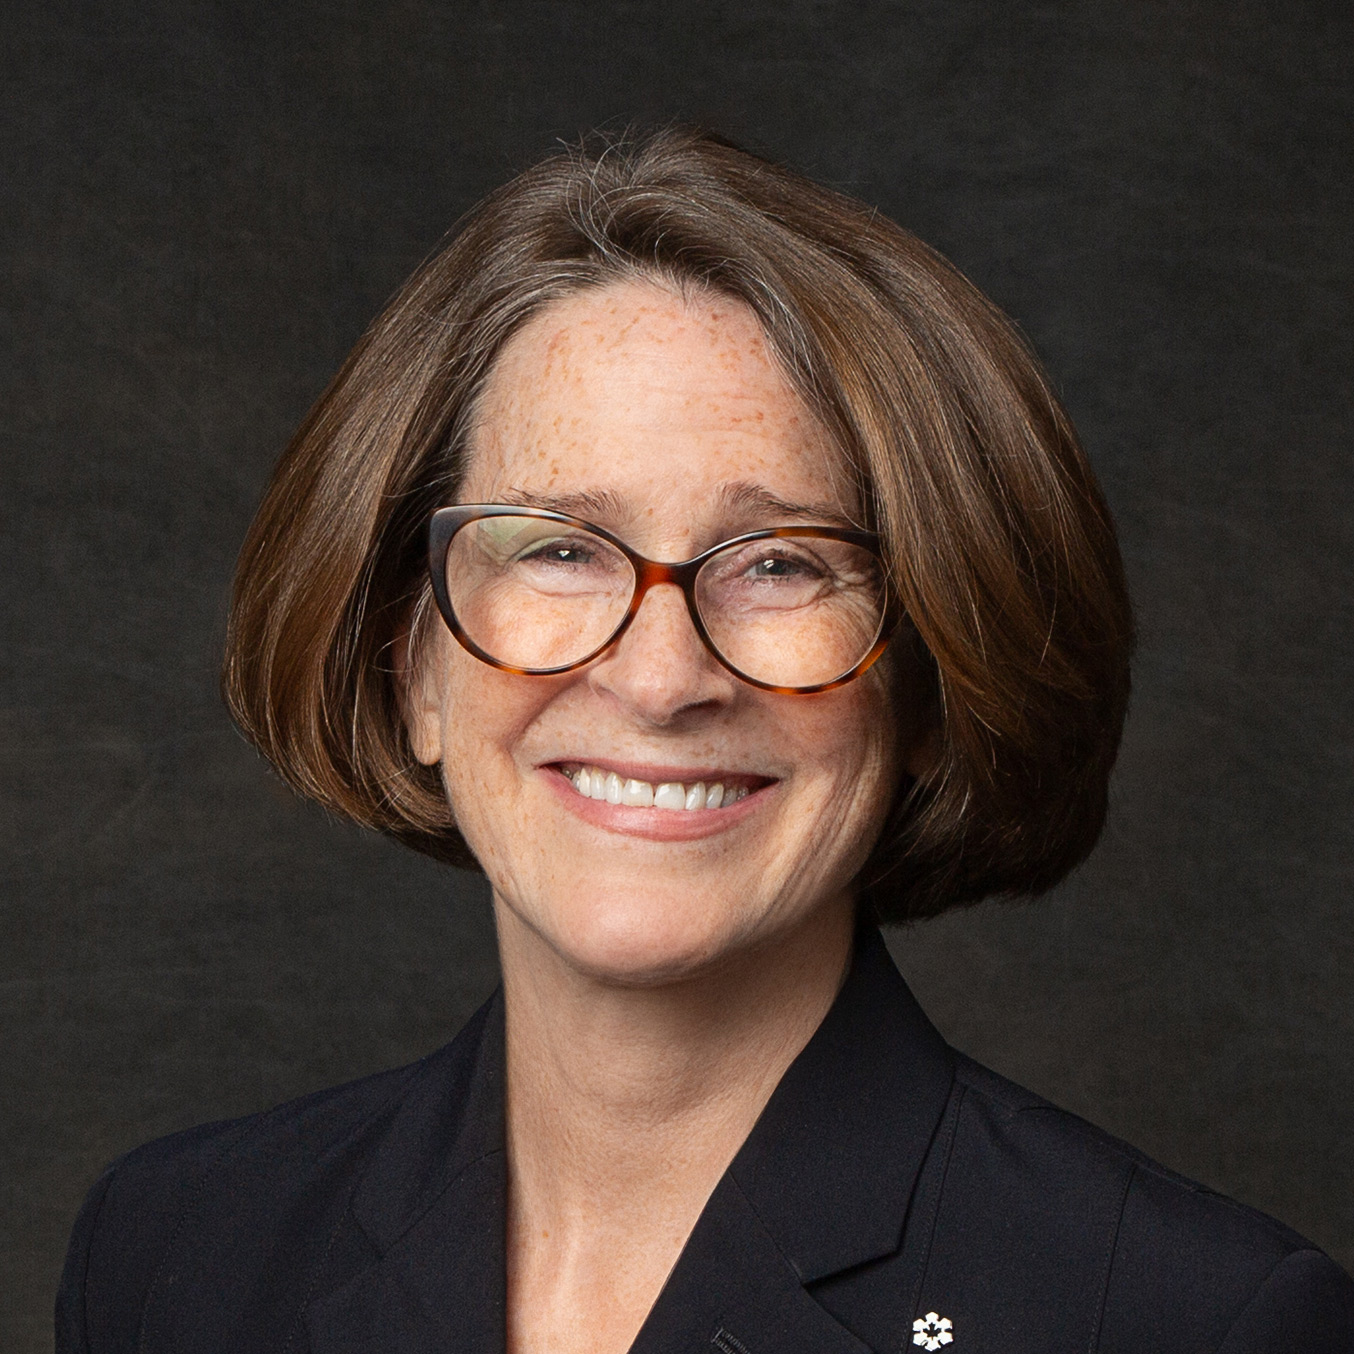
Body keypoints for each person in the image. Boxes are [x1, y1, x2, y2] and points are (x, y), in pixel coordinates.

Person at [56, 128, 1354, 1354]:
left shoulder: (1188, 1320)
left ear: (925, 681)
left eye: (781, 563)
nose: (661, 677)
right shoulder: (178, 1255)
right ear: (414, 667)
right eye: (557, 549)